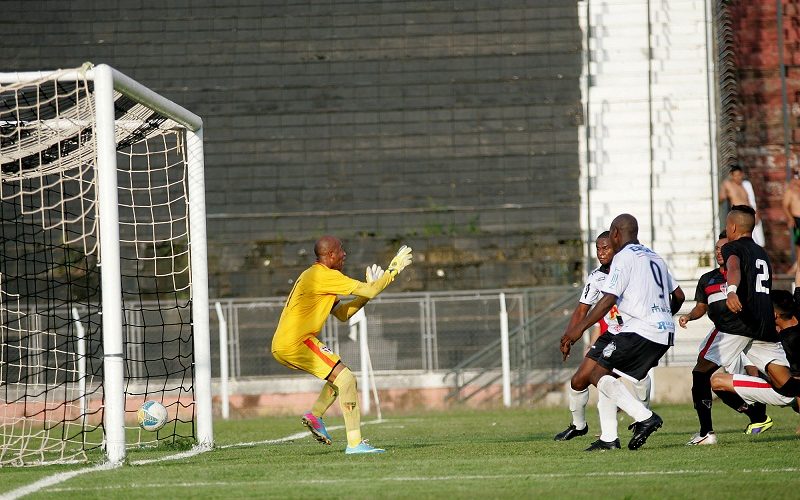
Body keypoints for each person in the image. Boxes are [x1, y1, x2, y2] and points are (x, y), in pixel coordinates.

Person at [271, 236, 412, 454]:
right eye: (341, 250)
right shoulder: (324, 276)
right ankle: (354, 444)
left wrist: (368, 292)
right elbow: (371, 290)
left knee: (339, 378)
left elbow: (342, 314)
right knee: (347, 379)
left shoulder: (314, 276)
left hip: (287, 343)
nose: (344, 254)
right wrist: (392, 271)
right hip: (296, 342)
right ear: (329, 255)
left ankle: (315, 416)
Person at [560, 214, 685, 451]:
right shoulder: (654, 256)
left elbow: (608, 300)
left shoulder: (624, 257)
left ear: (616, 234)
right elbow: (678, 296)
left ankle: (644, 416)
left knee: (597, 375)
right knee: (604, 372)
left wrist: (577, 331)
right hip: (663, 331)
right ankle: (609, 438)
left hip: (639, 329)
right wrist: (664, 317)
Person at [687, 205, 800, 440]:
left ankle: (706, 434)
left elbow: (734, 267)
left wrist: (731, 290)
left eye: (728, 226)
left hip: (739, 325)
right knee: (786, 385)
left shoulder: (732, 247)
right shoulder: (761, 253)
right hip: (765, 326)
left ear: (734, 227)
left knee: (700, 372)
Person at [554, 231, 652, 443]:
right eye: (598, 248)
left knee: (627, 375)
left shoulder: (631, 271)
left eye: (605, 247)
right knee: (578, 381)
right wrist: (568, 337)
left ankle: (641, 416)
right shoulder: (596, 277)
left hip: (634, 332)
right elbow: (582, 310)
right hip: (611, 334)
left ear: (617, 248)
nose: (601, 252)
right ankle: (579, 426)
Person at [678, 230, 766, 445]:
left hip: (735, 332)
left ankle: (707, 433)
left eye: (723, 248)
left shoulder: (743, 274)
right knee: (716, 381)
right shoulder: (708, 279)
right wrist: (689, 316)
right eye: (717, 248)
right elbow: (701, 307)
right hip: (725, 333)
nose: (719, 251)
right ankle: (756, 415)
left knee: (702, 374)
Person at [710, 289, 800, 423]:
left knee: (717, 381)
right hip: (785, 387)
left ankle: (757, 418)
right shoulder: (793, 318)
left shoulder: (790, 339)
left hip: (785, 394)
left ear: (774, 314)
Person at [720, 165, 764, 246]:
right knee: (743, 241)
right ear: (732, 176)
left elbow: (751, 201)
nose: (738, 177)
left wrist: (756, 213)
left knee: (757, 242)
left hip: (749, 214)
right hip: (739, 216)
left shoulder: (745, 185)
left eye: (739, 175)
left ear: (742, 174)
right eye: (736, 175)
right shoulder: (728, 184)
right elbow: (721, 198)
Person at [781, 171, 800, 271]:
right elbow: (785, 205)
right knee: (799, 244)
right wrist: (790, 218)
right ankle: (797, 266)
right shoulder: (791, 191)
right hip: (797, 220)